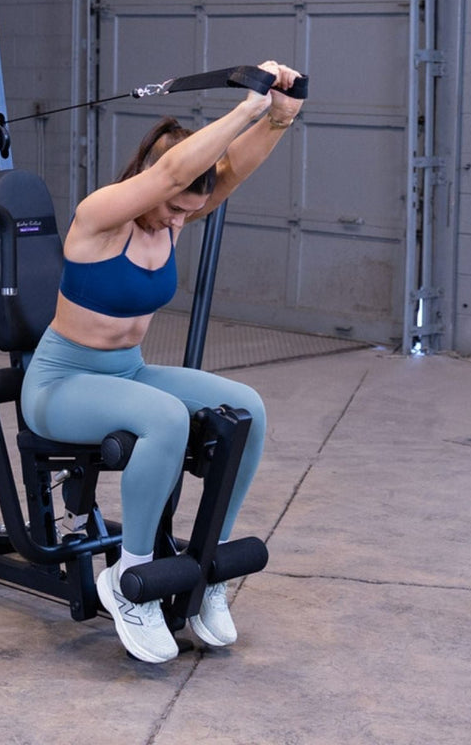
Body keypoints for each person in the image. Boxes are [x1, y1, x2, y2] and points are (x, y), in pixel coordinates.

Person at [20, 60, 304, 663]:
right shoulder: (100, 217)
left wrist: (279, 117)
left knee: (246, 407)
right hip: (62, 382)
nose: (181, 220)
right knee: (169, 418)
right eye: (173, 207)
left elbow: (224, 172)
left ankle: (207, 567)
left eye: (187, 212)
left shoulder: (174, 213)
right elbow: (177, 169)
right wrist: (245, 106)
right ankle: (131, 580)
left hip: (127, 372)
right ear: (153, 184)